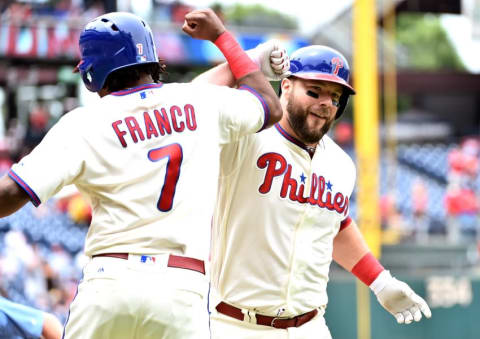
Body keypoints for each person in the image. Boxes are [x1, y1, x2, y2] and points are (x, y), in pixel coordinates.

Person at [0, 8, 282, 339]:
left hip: (110, 282)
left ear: (92, 74)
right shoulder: (198, 101)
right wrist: (225, 40)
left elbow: (11, 192)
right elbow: (269, 104)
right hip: (182, 288)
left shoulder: (83, 123)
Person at [195, 45, 432, 338]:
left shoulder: (341, 164)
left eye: (335, 97)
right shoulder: (246, 136)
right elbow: (192, 101)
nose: (326, 103)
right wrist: (249, 59)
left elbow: (335, 224)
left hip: (311, 326)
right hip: (236, 324)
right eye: (314, 91)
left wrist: (380, 281)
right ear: (286, 85)